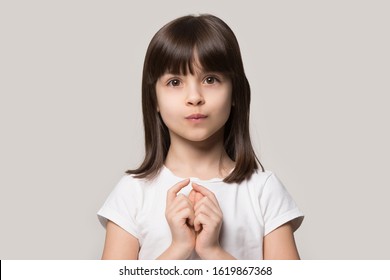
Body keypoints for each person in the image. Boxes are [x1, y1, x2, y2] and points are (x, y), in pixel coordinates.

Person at [97, 14, 304, 260]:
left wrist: (213, 251)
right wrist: (179, 248)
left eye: (210, 79)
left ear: (236, 92)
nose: (194, 97)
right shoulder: (132, 193)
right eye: (175, 82)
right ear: (154, 99)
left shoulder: (263, 191)